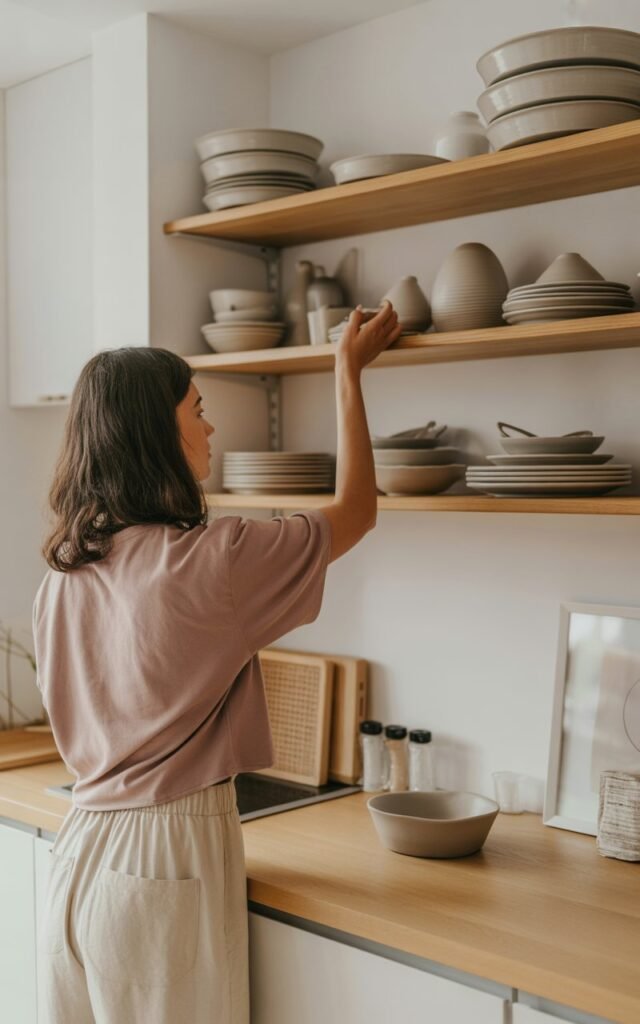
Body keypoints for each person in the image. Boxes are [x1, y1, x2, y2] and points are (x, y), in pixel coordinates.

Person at [33, 300, 401, 1023]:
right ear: (157, 435)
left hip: (77, 865)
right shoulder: (213, 563)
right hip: (163, 866)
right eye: (197, 410)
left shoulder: (62, 577)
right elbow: (356, 510)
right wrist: (346, 369)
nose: (209, 428)